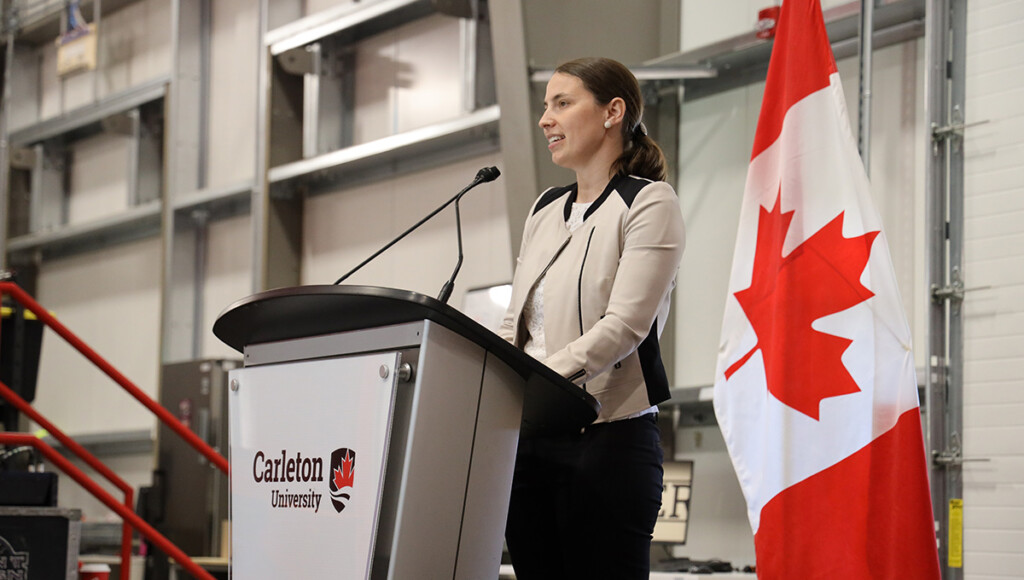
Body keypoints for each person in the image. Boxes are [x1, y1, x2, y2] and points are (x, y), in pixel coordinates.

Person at [498, 57, 686, 579]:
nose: (545, 119)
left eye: (562, 103)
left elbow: (624, 327)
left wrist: (535, 384)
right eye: (544, 106)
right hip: (530, 442)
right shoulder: (543, 209)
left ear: (613, 112)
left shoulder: (649, 202)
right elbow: (516, 322)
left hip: (608, 442)